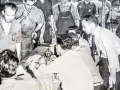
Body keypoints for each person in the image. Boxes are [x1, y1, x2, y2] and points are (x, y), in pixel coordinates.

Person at [27, 32, 105, 90]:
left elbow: (43, 72)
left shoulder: (63, 59)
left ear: (58, 46)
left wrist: (40, 64)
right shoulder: (75, 55)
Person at [82, 15, 120, 90]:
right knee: (104, 82)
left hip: (116, 58)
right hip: (105, 57)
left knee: (113, 82)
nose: (83, 29)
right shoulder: (96, 33)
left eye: (84, 26)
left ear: (92, 25)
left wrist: (113, 74)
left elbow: (112, 54)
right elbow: (102, 51)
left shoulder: (104, 35)